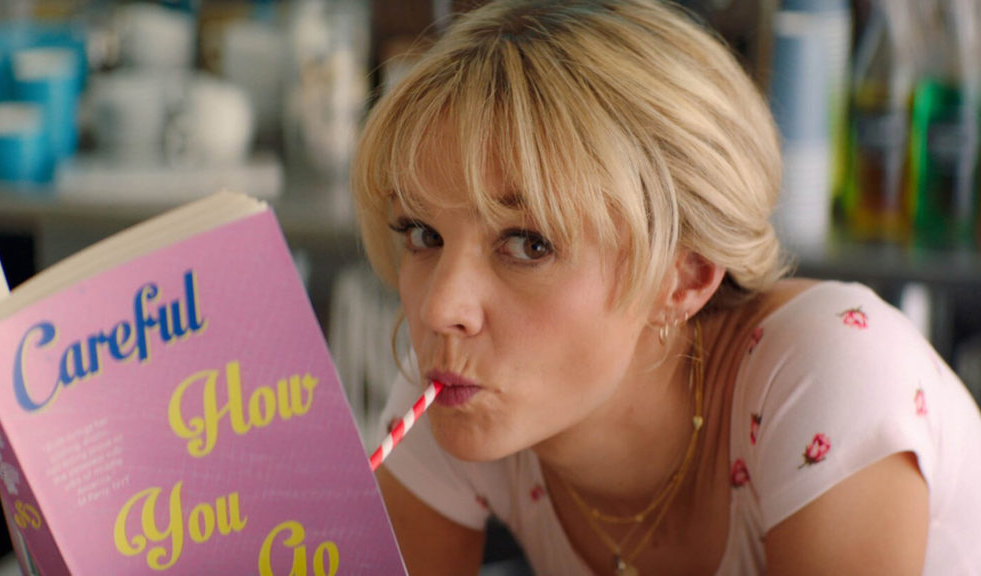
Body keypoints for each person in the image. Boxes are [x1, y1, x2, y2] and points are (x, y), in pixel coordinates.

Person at [350, 0, 981, 574]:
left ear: (685, 275)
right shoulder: (461, 388)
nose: (440, 309)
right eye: (422, 234)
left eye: (528, 244)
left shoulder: (830, 375)